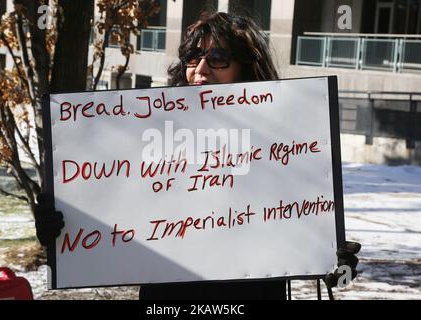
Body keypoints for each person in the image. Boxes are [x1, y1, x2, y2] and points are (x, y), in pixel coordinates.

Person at [35, 11, 361, 300]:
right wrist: (62, 222)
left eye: (218, 58)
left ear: (246, 67)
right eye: (193, 57)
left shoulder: (285, 141)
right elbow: (112, 202)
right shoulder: (143, 131)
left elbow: (301, 223)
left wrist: (329, 256)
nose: (201, 69)